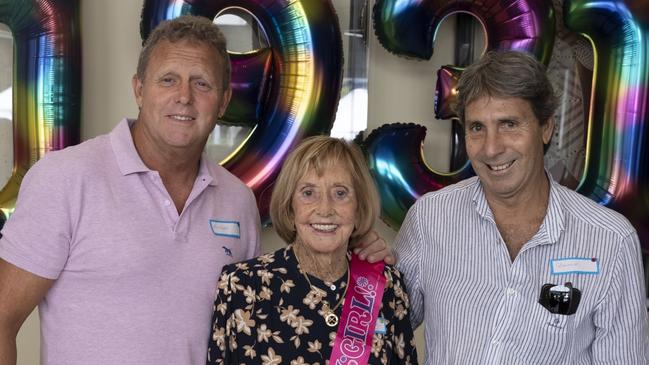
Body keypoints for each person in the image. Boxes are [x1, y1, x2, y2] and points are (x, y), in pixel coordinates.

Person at [0, 16, 391, 365]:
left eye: (201, 83)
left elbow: (254, 321)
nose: (184, 96)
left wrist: (355, 248)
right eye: (168, 79)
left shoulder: (237, 200)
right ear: (139, 89)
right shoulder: (65, 178)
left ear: (222, 101)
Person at [395, 50, 649, 364]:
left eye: (509, 124)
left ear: (546, 127)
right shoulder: (429, 219)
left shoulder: (611, 240)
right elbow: (385, 331)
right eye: (477, 128)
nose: (491, 148)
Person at [206, 136, 418, 365]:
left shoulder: (387, 284)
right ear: (290, 208)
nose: (325, 208)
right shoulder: (241, 285)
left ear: (358, 208)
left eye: (340, 193)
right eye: (308, 193)